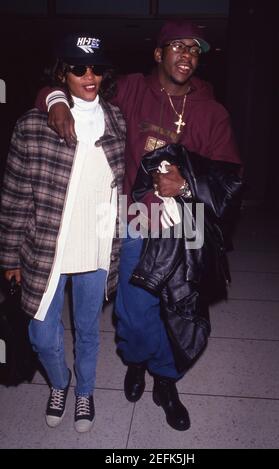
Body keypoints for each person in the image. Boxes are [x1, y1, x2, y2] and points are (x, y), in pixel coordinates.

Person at [35, 20, 241, 431]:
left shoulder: (213, 111)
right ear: (158, 54)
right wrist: (54, 98)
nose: (187, 56)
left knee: (180, 309)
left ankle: (165, 380)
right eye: (177, 47)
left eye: (194, 50)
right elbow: (79, 90)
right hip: (135, 217)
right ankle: (136, 361)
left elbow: (230, 177)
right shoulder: (128, 89)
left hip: (189, 222)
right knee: (133, 314)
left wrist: (186, 183)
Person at [0, 32, 126, 433]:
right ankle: (61, 382)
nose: (89, 76)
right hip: (45, 249)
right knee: (41, 334)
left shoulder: (118, 119)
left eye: (96, 68)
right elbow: (15, 195)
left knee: (88, 330)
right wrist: (8, 257)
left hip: (97, 247)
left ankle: (84, 391)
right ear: (62, 73)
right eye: (78, 68)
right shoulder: (34, 124)